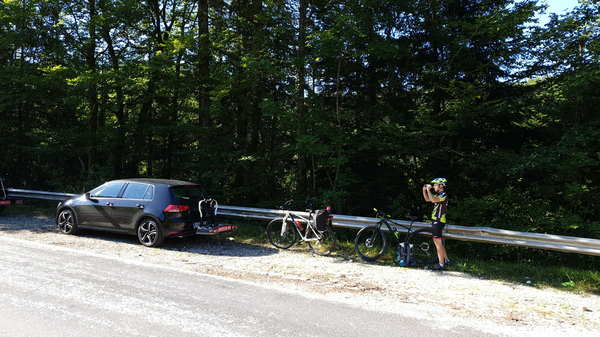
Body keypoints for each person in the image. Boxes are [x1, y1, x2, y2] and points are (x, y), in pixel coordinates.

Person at [422, 177, 450, 271]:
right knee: (439, 243)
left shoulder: (443, 194)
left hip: (438, 221)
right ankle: (446, 260)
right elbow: (427, 199)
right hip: (437, 221)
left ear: (441, 185)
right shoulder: (439, 195)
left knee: (437, 244)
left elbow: (433, 200)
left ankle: (441, 265)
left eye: (435, 185)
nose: (434, 186)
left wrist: (429, 190)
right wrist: (424, 191)